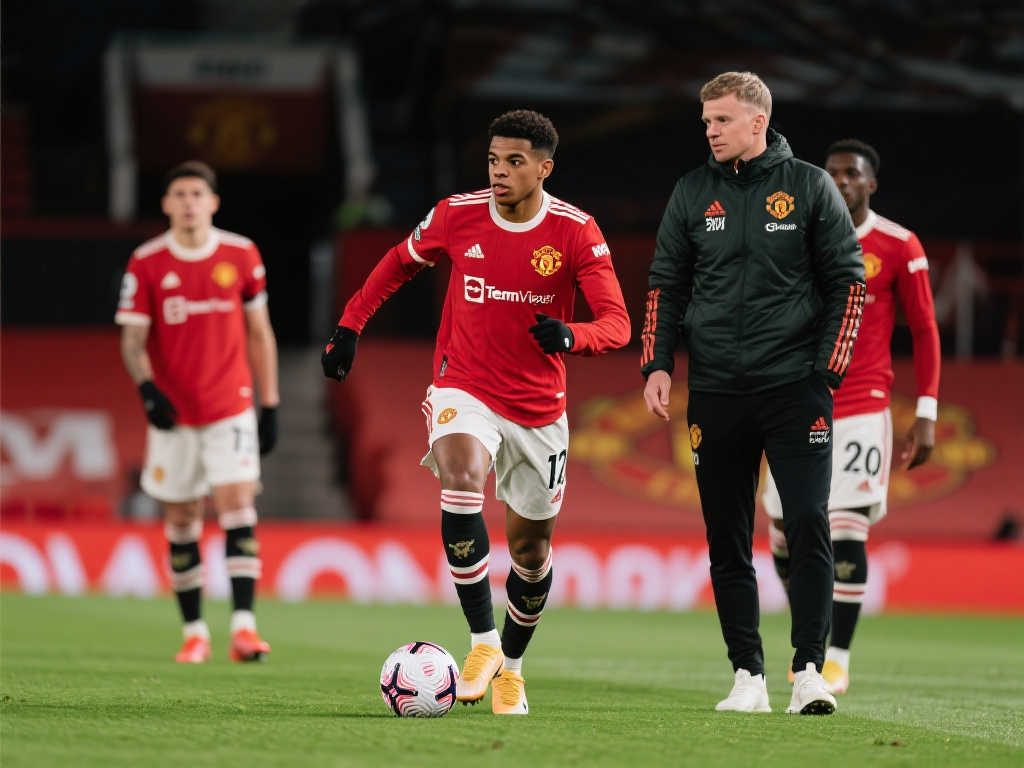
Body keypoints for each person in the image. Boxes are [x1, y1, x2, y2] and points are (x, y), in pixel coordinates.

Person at [322, 109, 630, 715]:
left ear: (545, 168)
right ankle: (483, 640)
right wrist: (350, 325)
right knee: (460, 478)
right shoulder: (456, 215)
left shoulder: (576, 231)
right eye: (493, 160)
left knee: (531, 554)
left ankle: (511, 668)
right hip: (463, 386)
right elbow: (398, 261)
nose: (499, 172)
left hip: (539, 409)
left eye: (515, 161)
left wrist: (573, 336)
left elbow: (616, 323)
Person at [640, 72, 865, 715]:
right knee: (727, 537)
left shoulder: (810, 186)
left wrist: (825, 372)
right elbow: (664, 285)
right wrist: (656, 364)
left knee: (808, 521)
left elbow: (849, 282)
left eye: (721, 120)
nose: (709, 131)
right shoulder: (692, 191)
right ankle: (747, 676)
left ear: (758, 122)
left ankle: (810, 672)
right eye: (706, 120)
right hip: (716, 390)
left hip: (795, 389)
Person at [763, 139, 941, 695]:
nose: (841, 181)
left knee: (844, 529)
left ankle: (834, 658)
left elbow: (925, 329)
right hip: (796, 402)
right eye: (833, 173)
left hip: (863, 404)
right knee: (784, 534)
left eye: (852, 174)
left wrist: (927, 410)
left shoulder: (898, 245)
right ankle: (810, 632)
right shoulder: (800, 236)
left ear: (871, 183)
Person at [116, 161, 279, 664]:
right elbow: (133, 340)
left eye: (197, 194)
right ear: (166, 203)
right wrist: (147, 389)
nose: (189, 203)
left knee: (237, 505)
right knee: (182, 518)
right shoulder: (146, 262)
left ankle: (244, 630)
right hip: (174, 414)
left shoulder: (241, 253)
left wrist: (269, 403)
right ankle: (194, 633)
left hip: (230, 405)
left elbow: (260, 332)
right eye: (180, 194)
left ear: (213, 202)